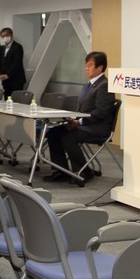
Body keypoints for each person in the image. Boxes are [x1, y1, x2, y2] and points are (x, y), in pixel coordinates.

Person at [45, 51, 115, 183]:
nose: (86, 68)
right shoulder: (88, 85)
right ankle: (61, 171)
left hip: (96, 127)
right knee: (54, 133)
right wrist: (73, 120)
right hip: (84, 124)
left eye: (90, 65)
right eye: (85, 66)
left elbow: (101, 112)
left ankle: (84, 171)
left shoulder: (104, 85)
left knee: (68, 137)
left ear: (100, 68)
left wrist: (80, 121)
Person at [0, 27, 26, 95]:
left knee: (17, 100)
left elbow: (16, 63)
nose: (4, 38)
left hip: (16, 79)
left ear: (11, 35)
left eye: (6, 36)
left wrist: (8, 75)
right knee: (7, 99)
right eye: (2, 36)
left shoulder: (18, 47)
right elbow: (0, 61)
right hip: (5, 80)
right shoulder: (2, 48)